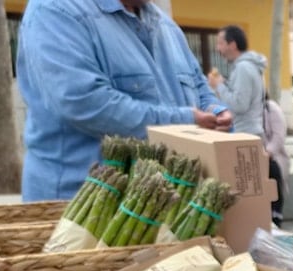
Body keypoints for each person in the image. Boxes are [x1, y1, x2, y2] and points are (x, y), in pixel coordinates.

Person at [16, 0, 232, 201]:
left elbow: (197, 82)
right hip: (78, 202)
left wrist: (215, 110)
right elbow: (83, 101)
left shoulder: (164, 24)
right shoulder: (55, 10)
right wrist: (185, 121)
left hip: (155, 202)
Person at [209, 25, 267, 137]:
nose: (217, 49)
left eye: (220, 43)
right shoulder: (249, 66)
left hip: (246, 133)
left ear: (233, 45)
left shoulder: (243, 68)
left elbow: (239, 105)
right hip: (250, 132)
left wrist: (218, 85)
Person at [263, 94, 289, 227]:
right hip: (255, 157)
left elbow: (279, 136)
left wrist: (267, 153)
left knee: (272, 170)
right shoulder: (247, 110)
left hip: (272, 155)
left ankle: (276, 215)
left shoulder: (271, 108)